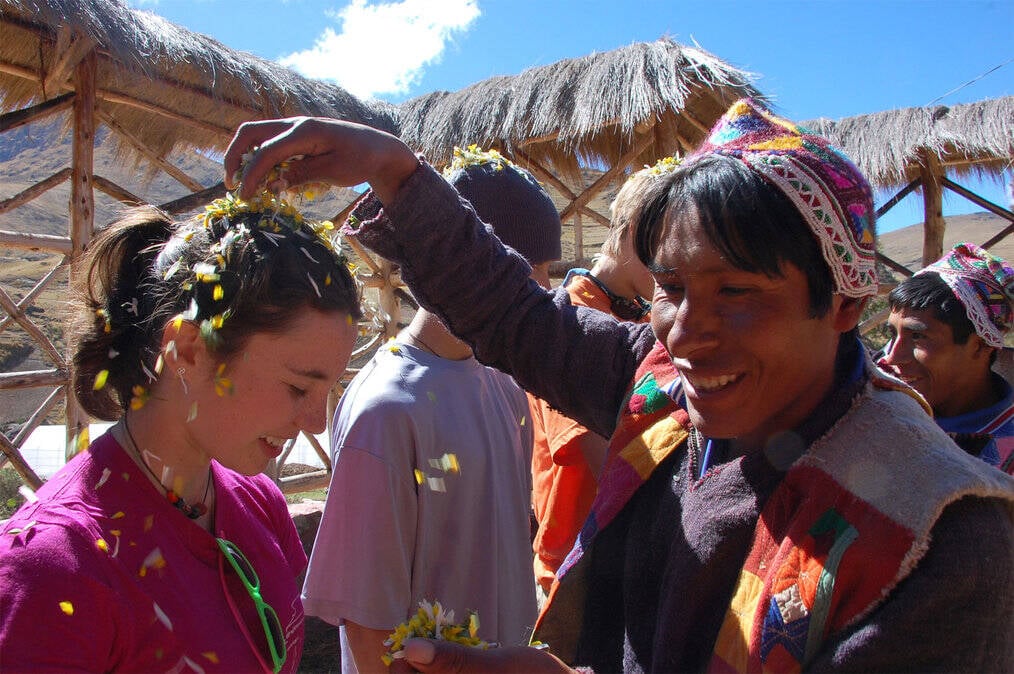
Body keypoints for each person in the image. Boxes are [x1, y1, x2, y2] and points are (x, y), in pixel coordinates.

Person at [224, 99, 1014, 673]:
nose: (685, 332)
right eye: (670, 287)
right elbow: (516, 317)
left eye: (737, 293)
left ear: (844, 303)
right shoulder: (665, 392)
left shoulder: (938, 539)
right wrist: (395, 171)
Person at [0, 191, 362, 673]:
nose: (317, 421)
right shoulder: (56, 570)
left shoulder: (259, 504)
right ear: (189, 350)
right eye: (298, 387)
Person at [301, 147, 558, 673]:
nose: (545, 293)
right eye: (530, 275)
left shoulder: (505, 383)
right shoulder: (387, 410)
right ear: (469, 265)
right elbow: (368, 626)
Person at [529, 160, 660, 604]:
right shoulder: (569, 318)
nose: (670, 269)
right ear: (629, 231)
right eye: (663, 248)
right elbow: (598, 454)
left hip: (622, 553)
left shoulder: (642, 314)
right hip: (574, 563)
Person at [878, 242, 1014, 473]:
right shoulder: (877, 414)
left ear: (980, 345)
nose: (891, 358)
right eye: (893, 333)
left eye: (918, 336)